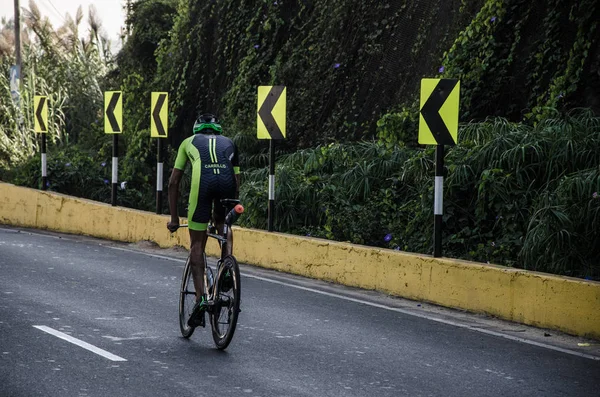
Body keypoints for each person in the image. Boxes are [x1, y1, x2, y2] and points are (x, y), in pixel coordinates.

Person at [167, 113, 240, 328]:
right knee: (223, 224)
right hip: (227, 185)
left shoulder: (187, 143)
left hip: (203, 185)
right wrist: (226, 211)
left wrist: (173, 218)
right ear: (217, 130)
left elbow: (173, 182)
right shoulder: (230, 142)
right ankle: (227, 265)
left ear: (196, 130)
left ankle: (200, 299)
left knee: (197, 244)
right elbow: (236, 180)